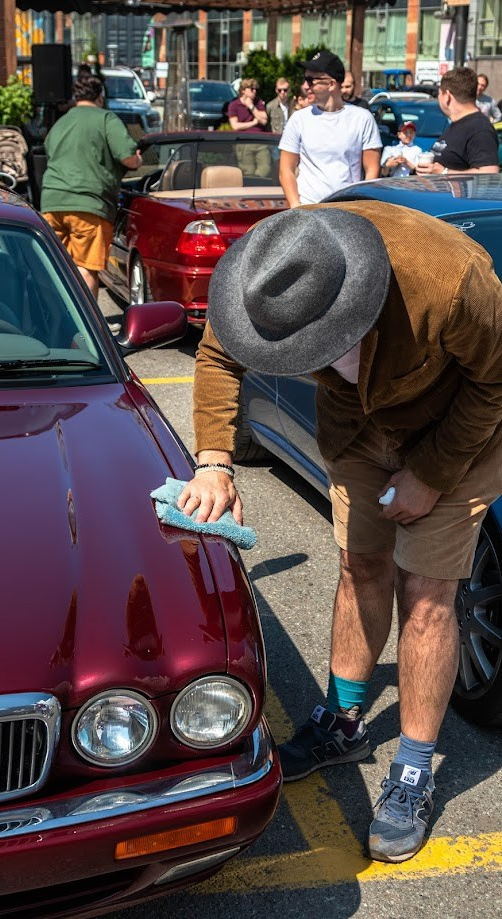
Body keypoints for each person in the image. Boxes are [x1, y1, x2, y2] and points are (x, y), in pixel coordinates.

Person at [178, 202, 502, 864]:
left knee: (427, 591)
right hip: (356, 432)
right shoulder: (263, 272)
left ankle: (412, 770)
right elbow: (216, 355)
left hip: (455, 438)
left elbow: (495, 382)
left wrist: (430, 475)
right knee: (359, 565)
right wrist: (213, 460)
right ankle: (344, 721)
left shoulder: (450, 279)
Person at [41, 73, 141, 300]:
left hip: (52, 202)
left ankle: (57, 324)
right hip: (88, 203)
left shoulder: (61, 122)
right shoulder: (105, 118)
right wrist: (138, 159)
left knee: (58, 269)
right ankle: (86, 331)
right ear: (100, 96)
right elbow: (127, 158)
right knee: (86, 268)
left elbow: (50, 153)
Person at [279, 51, 381, 206]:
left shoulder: (362, 118)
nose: (305, 86)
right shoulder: (299, 119)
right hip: (309, 210)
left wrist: (362, 207)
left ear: (331, 84)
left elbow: (372, 170)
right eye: (304, 79)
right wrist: (296, 207)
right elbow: (286, 170)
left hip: (348, 210)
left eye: (311, 80)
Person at [416, 67, 499, 177]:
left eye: (439, 94)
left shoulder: (480, 129)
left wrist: (444, 172)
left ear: (447, 96)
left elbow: (490, 174)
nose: (438, 98)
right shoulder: (458, 124)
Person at [228, 78, 271, 177]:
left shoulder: (258, 102)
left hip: (261, 141)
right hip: (244, 142)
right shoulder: (234, 105)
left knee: (265, 168)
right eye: (251, 89)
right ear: (243, 90)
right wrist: (253, 122)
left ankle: (259, 184)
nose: (254, 91)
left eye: (255, 89)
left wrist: (251, 107)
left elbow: (264, 120)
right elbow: (235, 126)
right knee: (248, 171)